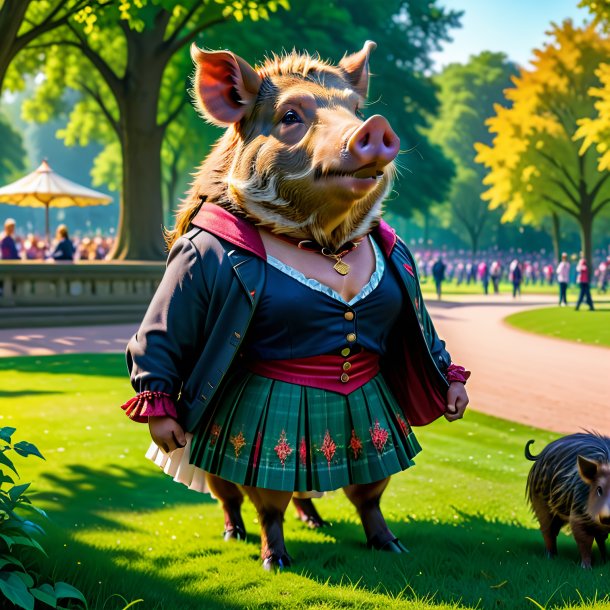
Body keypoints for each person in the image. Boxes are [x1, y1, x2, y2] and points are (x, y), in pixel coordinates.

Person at [118, 43, 470, 569]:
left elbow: (412, 322)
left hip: (362, 389)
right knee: (266, 474)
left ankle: (372, 517)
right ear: (229, 99)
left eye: (351, 112)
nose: (350, 130)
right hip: (271, 388)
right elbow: (166, 326)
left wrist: (447, 375)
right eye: (292, 118)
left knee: (373, 467)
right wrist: (159, 395)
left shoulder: (384, 247)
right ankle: (265, 532)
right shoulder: (218, 245)